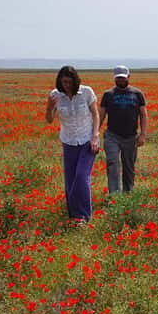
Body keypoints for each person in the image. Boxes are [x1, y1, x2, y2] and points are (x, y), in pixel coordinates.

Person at [45, 65, 100, 223]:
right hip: (68, 141)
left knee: (81, 177)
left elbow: (95, 115)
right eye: (63, 82)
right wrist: (49, 106)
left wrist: (95, 136)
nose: (66, 85)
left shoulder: (86, 92)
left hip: (87, 141)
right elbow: (49, 120)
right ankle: (74, 216)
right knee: (70, 180)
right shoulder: (55, 95)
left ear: (75, 81)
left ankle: (83, 216)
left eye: (69, 82)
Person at [99, 65, 148, 194]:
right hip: (112, 136)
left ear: (128, 77)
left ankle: (128, 193)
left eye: (122, 78)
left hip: (131, 136)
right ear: (114, 78)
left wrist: (142, 135)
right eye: (118, 78)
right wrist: (95, 132)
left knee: (129, 167)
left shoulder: (137, 94)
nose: (120, 80)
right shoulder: (108, 94)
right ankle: (114, 195)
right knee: (112, 163)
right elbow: (101, 115)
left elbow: (143, 114)